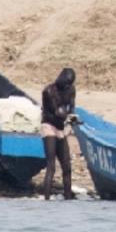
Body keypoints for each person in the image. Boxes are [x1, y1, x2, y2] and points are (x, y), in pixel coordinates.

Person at [39, 67, 78, 199]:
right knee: (51, 167)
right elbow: (56, 112)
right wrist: (67, 116)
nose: (67, 86)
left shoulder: (71, 90)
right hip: (49, 126)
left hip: (61, 128)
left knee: (67, 166)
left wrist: (73, 117)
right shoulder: (49, 91)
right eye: (65, 83)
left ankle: (68, 197)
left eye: (69, 84)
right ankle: (47, 198)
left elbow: (72, 107)